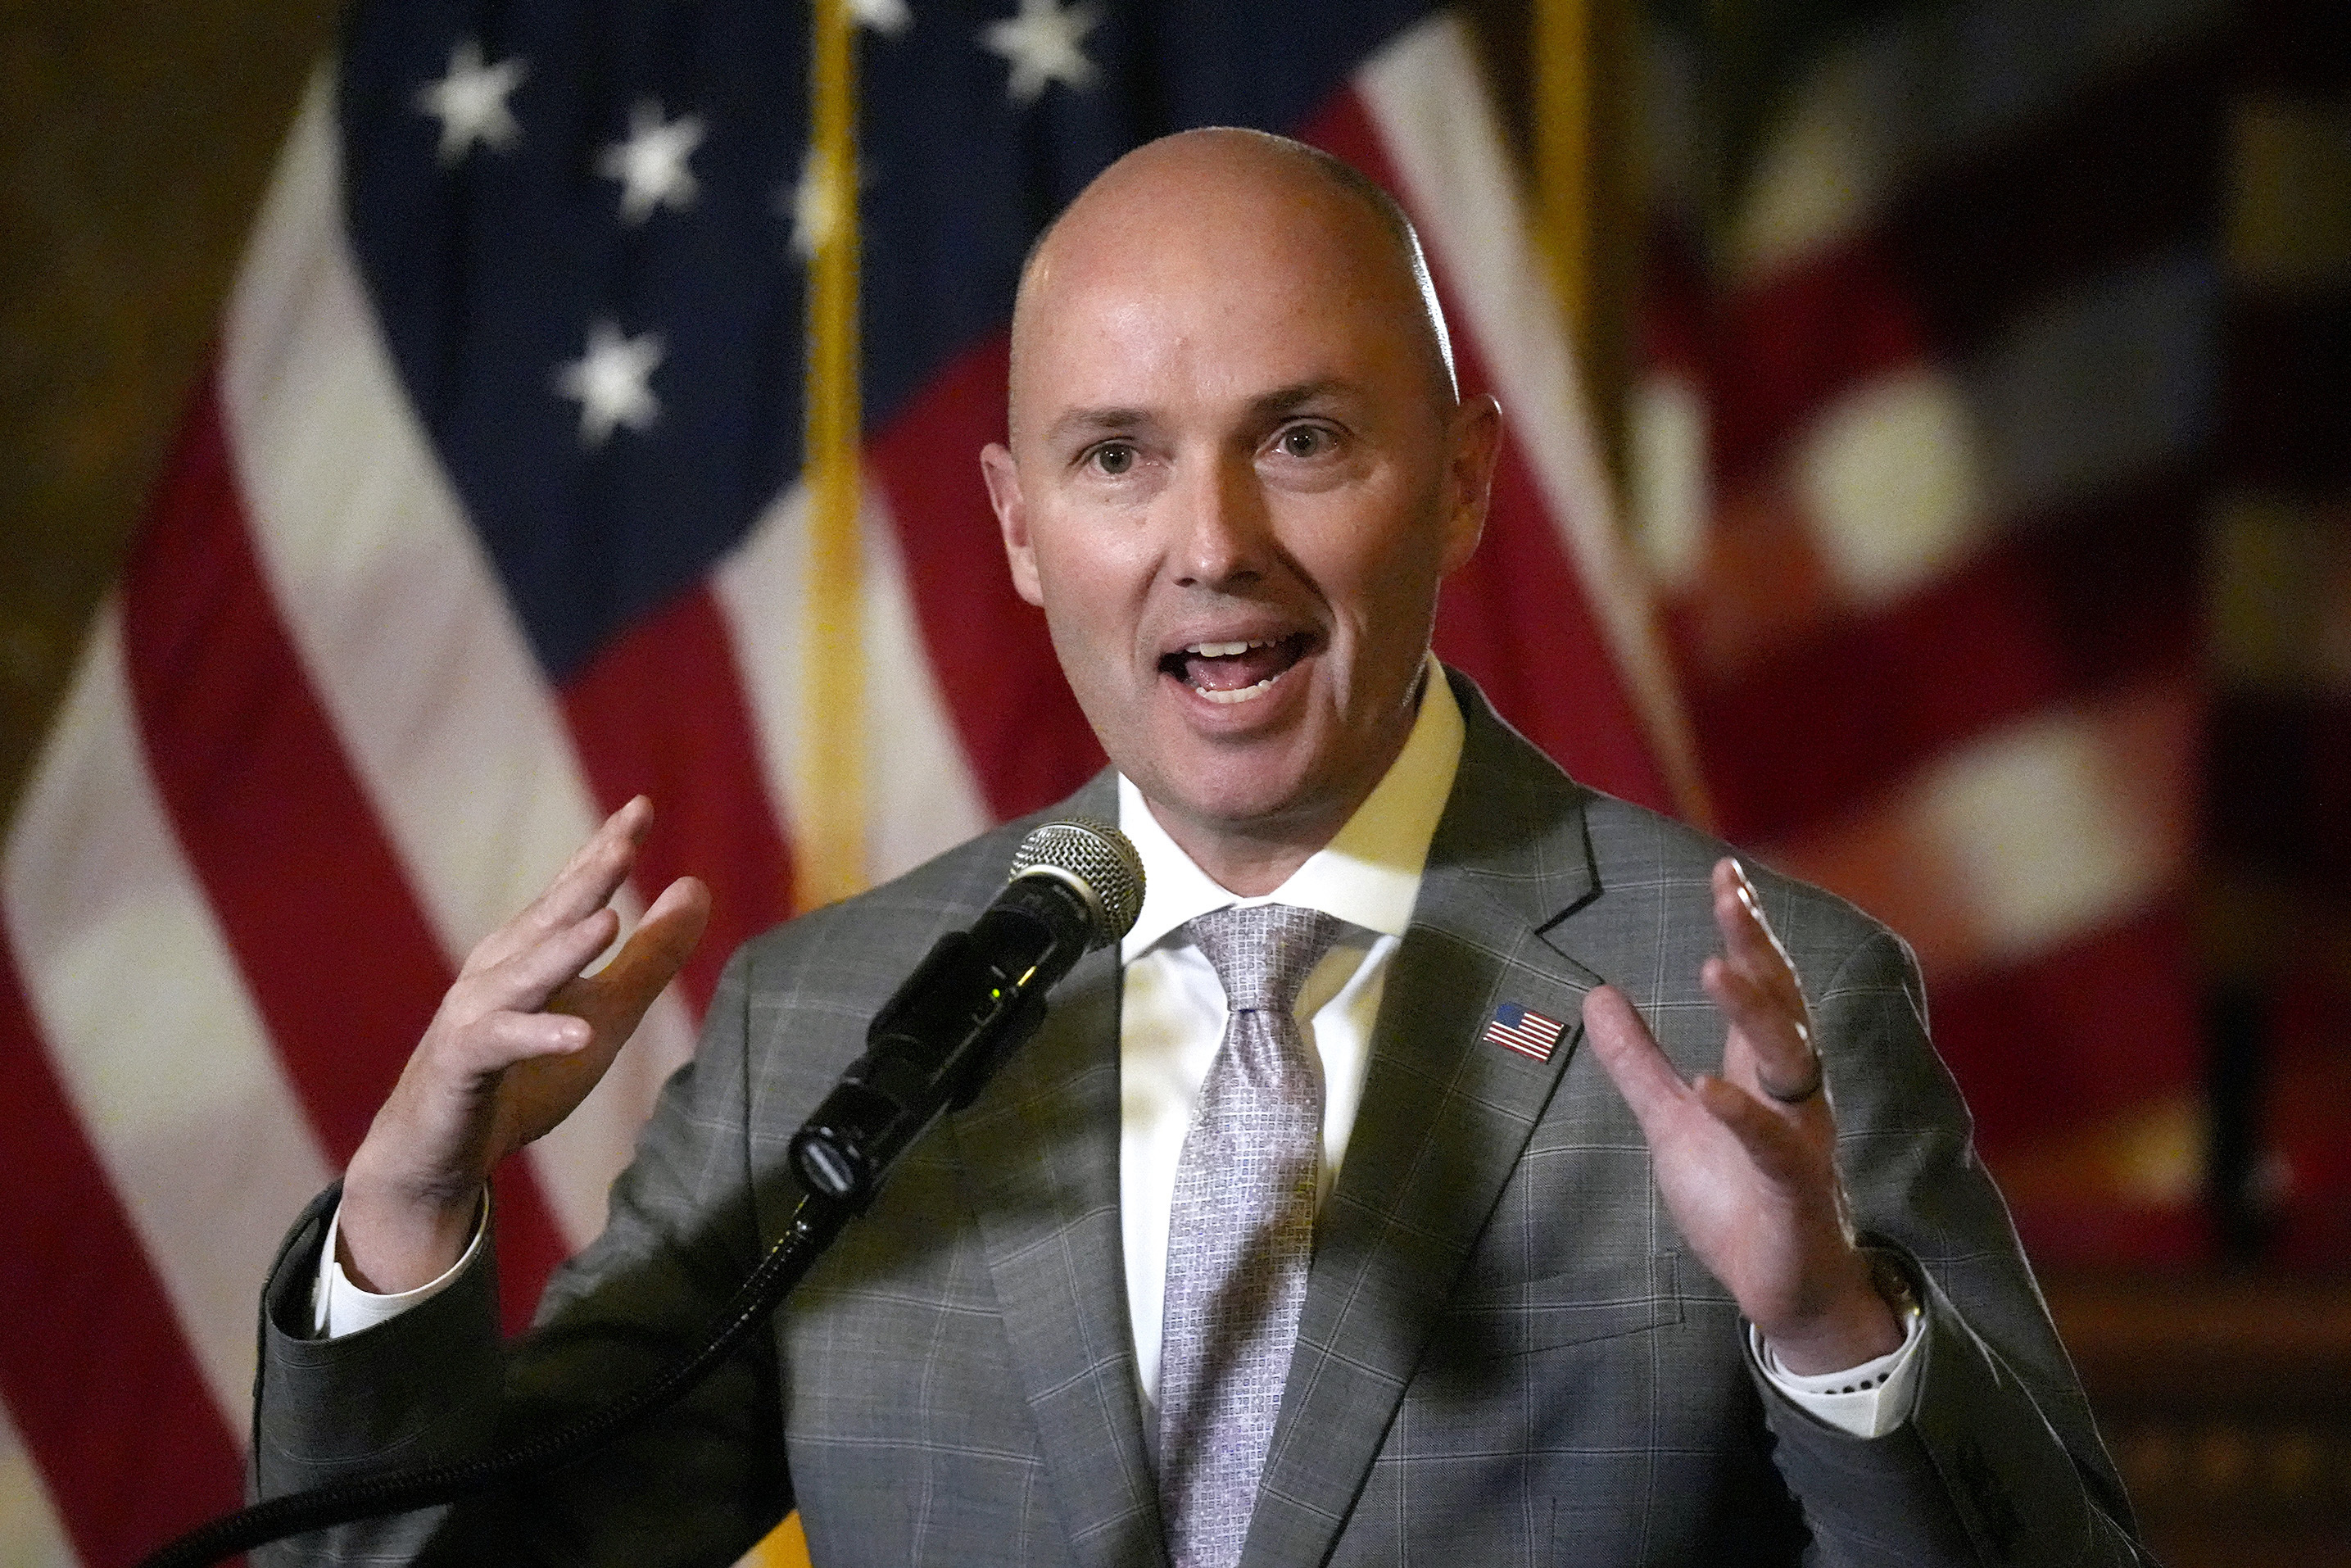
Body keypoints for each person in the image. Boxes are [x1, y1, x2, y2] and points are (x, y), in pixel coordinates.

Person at [253, 129, 2149, 1566]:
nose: (1211, 541)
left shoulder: (1758, 994)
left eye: (1303, 439)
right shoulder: (831, 1022)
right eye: (1116, 457)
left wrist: (1833, 1330)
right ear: (1014, 527)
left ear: (1467, 479)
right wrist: (406, 1222)